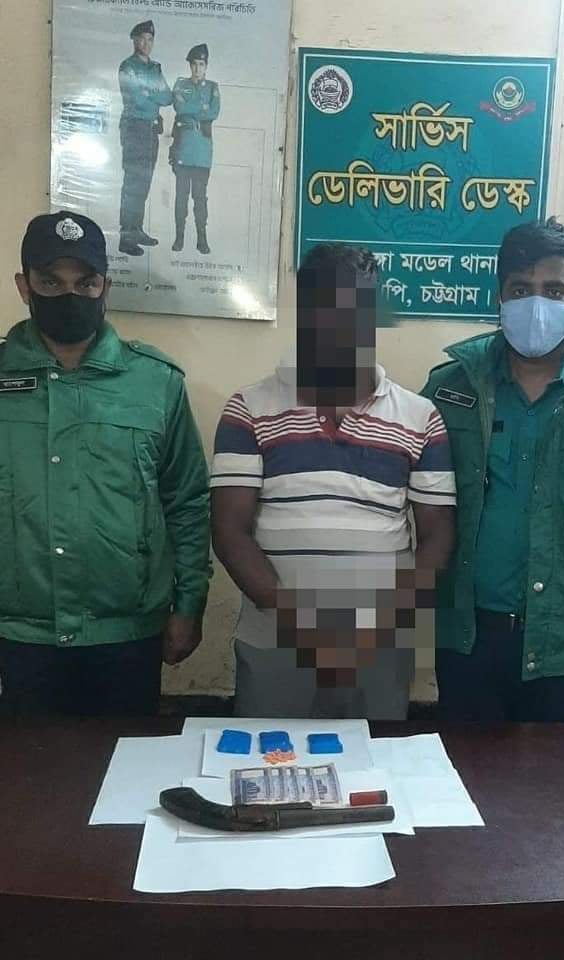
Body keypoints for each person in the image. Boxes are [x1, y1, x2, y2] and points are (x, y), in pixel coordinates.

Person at [211, 243, 456, 719]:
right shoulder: (249, 408)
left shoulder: (420, 416)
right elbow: (228, 531)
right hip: (276, 639)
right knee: (270, 761)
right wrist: (299, 625)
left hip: (380, 646)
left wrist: (381, 624)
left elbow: (438, 535)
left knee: (373, 761)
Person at [0, 211, 211, 716]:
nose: (69, 295)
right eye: (51, 282)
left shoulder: (155, 382)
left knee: (125, 761)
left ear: (105, 288)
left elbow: (187, 502)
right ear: (24, 287)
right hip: (20, 634)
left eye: (85, 283)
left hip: (126, 634)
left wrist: (189, 605)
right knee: (30, 766)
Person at [421, 217, 564, 723]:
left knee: (560, 773)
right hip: (469, 638)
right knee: (467, 770)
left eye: (554, 290)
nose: (537, 305)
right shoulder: (448, 390)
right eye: (521, 289)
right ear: (499, 298)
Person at [118, 20, 172, 257]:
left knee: (144, 182)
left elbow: (167, 97)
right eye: (142, 38)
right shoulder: (127, 67)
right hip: (134, 128)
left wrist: (148, 91)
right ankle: (126, 237)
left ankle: (137, 229)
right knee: (133, 183)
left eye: (150, 39)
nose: (146, 43)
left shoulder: (155, 68)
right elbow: (136, 98)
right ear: (134, 40)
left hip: (151, 130)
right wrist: (153, 93)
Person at [170, 44, 220, 255]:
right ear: (190, 66)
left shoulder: (213, 87)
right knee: (181, 197)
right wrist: (201, 108)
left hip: (202, 154)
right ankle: (179, 238)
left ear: (206, 66)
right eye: (194, 64)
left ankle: (202, 239)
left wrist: (190, 111)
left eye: (201, 64)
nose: (198, 68)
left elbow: (214, 112)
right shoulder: (180, 84)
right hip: (183, 149)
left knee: (200, 198)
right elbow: (179, 107)